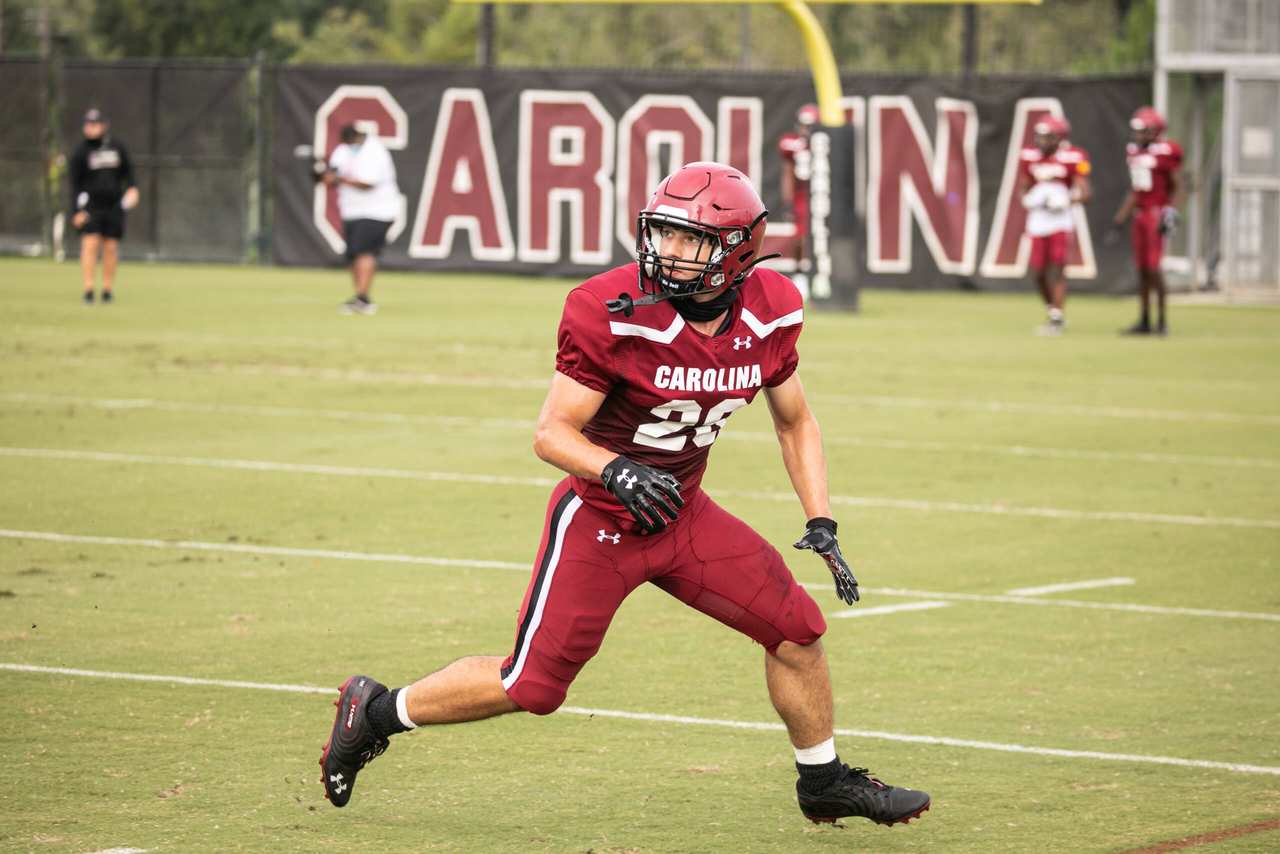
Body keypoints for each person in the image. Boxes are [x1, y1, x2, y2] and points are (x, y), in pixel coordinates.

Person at [318, 162, 931, 828]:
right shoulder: (612, 309)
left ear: (737, 252)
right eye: (662, 234)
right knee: (535, 686)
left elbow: (794, 419)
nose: (667, 253)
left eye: (688, 241)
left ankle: (823, 782)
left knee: (797, 632)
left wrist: (821, 517)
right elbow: (553, 433)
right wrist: (614, 470)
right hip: (603, 520)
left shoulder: (772, 307)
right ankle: (373, 711)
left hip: (683, 516)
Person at [1107, 107, 1184, 336]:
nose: (1138, 136)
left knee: (1154, 269)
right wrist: (1117, 222)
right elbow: (1135, 190)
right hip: (1139, 216)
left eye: (1142, 131)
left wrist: (1171, 215)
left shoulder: (1166, 151)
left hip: (1156, 214)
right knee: (1141, 270)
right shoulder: (1133, 152)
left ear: (1154, 131)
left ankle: (1161, 321)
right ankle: (1144, 320)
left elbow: (1179, 187)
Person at [1015, 116, 1092, 337]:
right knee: (1038, 272)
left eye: (1047, 136)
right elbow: (1023, 187)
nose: (1042, 141)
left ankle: (1057, 316)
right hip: (1038, 221)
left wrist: (1066, 200)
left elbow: (1085, 192)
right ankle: (1053, 311)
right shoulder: (1029, 156)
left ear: (1059, 138)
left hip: (1060, 220)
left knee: (1058, 268)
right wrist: (1026, 198)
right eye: (1040, 136)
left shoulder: (1073, 157)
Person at [323, 124, 400, 315]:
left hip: (378, 210)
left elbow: (368, 183)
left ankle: (363, 297)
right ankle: (359, 296)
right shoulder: (343, 151)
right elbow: (332, 176)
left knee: (364, 250)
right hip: (351, 210)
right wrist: (325, 177)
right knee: (352, 253)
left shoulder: (376, 151)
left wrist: (338, 179)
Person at [68, 109, 138, 304]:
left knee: (110, 246)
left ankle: (107, 291)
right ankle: (89, 290)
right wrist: (76, 211)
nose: (89, 128)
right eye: (87, 124)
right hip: (91, 204)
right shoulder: (81, 151)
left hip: (114, 204)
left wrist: (133, 190)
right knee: (90, 244)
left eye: (94, 124)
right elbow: (74, 183)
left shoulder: (117, 147)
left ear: (104, 125)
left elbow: (130, 176)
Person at [778, 104, 819, 295]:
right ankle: (800, 274)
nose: (807, 130)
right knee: (800, 237)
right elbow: (788, 172)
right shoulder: (793, 143)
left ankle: (818, 275)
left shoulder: (826, 143)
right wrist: (788, 202)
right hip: (802, 194)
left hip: (822, 192)